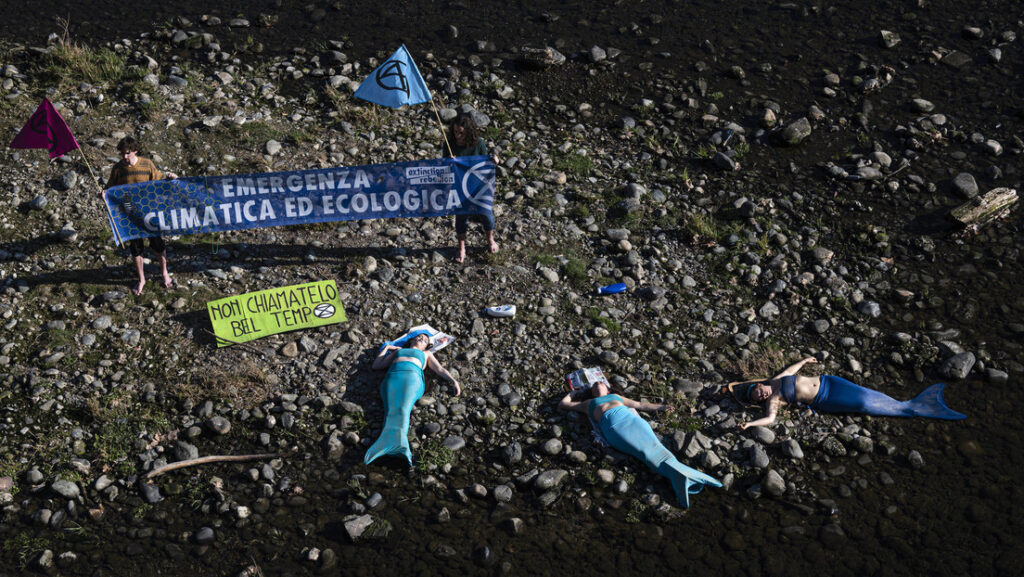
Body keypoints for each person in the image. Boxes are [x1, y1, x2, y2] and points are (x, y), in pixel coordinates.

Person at [559, 382, 721, 508]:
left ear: (607, 388)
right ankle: (682, 477)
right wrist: (573, 392)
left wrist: (662, 407)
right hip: (616, 431)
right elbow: (564, 404)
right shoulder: (588, 403)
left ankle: (681, 476)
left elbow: (639, 405)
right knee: (645, 453)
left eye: (599, 383)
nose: (596, 385)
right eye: (594, 385)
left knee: (657, 448)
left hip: (634, 422)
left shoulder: (616, 397)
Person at [727, 356, 967, 430]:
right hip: (827, 398)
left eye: (758, 392)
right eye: (760, 399)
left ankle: (908, 404)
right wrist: (749, 425)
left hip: (831, 382)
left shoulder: (775, 381)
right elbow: (770, 419)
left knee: (868, 392)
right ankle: (912, 408)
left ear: (758, 385)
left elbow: (790, 369)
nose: (763, 395)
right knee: (863, 404)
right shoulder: (776, 399)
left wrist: (805, 360)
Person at [364, 331, 461, 466]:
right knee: (390, 409)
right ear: (411, 340)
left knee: (403, 409)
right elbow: (377, 365)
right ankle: (390, 445)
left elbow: (439, 369)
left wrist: (453, 381)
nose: (421, 339)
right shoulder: (399, 351)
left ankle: (401, 447)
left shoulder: (426, 354)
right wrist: (386, 348)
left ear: (426, 346)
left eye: (425, 340)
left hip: (412, 378)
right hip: (393, 378)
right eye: (419, 337)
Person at [101, 136, 178, 296]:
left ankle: (164, 273)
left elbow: (160, 181)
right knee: (136, 248)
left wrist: (170, 178)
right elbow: (109, 189)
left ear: (135, 151)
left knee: (157, 243)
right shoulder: (118, 169)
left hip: (149, 211)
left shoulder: (147, 164)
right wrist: (103, 194)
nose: (124, 157)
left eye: (127, 153)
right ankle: (141, 279)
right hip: (130, 214)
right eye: (122, 153)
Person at [444, 114, 498, 263]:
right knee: (461, 216)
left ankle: (490, 240)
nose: (457, 135)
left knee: (486, 214)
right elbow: (443, 167)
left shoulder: (478, 143)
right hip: (459, 186)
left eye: (461, 132)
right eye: (455, 132)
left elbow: (484, 163)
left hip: (478, 186)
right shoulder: (449, 143)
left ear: (468, 131)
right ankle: (462, 248)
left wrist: (493, 160)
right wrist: (449, 161)